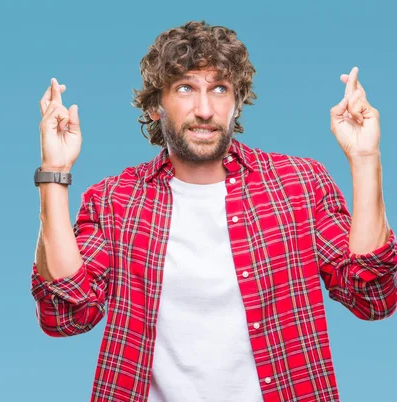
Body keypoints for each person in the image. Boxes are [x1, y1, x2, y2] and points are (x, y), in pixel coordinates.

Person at [30, 20, 397, 402]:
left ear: (236, 102)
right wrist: (55, 172)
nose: (204, 109)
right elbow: (66, 314)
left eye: (219, 89)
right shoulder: (114, 200)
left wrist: (365, 157)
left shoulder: (300, 184)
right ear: (157, 106)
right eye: (185, 88)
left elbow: (373, 298)